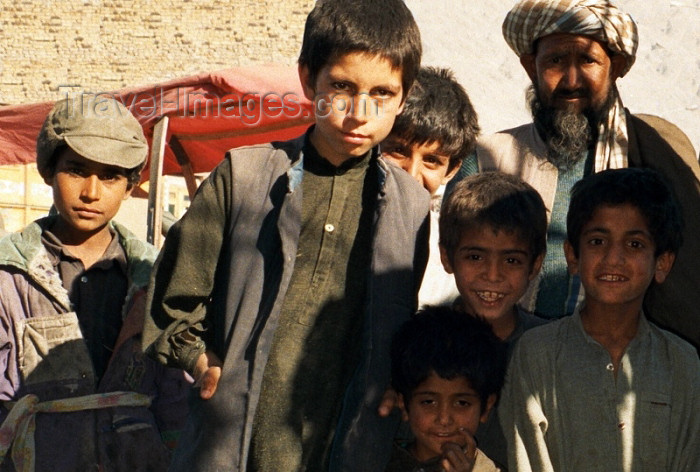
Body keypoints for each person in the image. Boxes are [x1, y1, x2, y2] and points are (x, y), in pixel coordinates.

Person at [142, 1, 428, 471]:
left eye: (382, 93)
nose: (360, 113)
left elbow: (396, 322)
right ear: (307, 79)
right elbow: (173, 300)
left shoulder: (410, 207)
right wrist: (199, 359)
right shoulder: (245, 177)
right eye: (341, 87)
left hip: (343, 447)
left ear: (403, 98)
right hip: (233, 446)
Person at [448, 0, 700, 349]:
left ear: (616, 66)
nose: (571, 80)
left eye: (588, 60)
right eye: (554, 61)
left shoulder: (653, 154)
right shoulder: (488, 158)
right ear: (529, 66)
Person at [0, 98, 190, 471]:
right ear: (49, 170)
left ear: (131, 183)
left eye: (110, 175)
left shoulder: (153, 278)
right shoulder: (10, 278)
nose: (91, 191)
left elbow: (174, 399)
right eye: (76, 170)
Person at [500, 168, 700, 471]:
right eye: (597, 241)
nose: (613, 258)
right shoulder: (537, 354)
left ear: (662, 263)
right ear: (572, 256)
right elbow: (527, 458)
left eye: (634, 244)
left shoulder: (683, 363)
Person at [381, 66, 480, 308]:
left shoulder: (448, 264)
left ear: (452, 170)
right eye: (397, 151)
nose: (411, 174)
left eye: (431, 161)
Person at [387, 306, 507, 472]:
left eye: (462, 403)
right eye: (428, 402)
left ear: (486, 407)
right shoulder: (377, 460)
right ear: (403, 404)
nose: (444, 419)